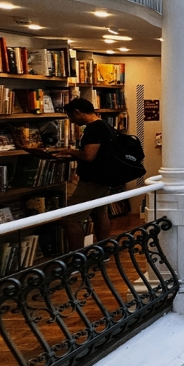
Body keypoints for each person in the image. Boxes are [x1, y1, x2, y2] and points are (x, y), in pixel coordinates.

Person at [59, 99, 113, 252]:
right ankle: (105, 251)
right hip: (105, 177)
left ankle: (78, 259)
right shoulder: (106, 125)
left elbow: (89, 156)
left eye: (71, 116)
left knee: (70, 218)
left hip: (92, 179)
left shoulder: (93, 129)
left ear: (77, 112)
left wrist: (70, 152)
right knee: (99, 213)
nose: (71, 120)